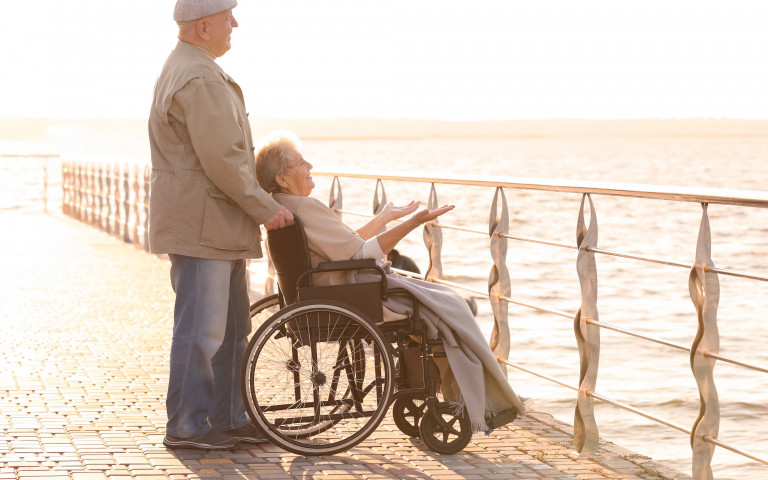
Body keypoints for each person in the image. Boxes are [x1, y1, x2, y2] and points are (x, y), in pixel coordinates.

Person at [255, 133, 526, 434]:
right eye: (301, 162)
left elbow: (348, 245)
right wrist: (412, 223)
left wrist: (385, 217)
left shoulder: (285, 206)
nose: (310, 165)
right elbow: (359, 253)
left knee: (445, 302)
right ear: (282, 178)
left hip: (326, 289)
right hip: (349, 295)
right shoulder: (306, 207)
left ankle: (459, 393)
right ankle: (482, 400)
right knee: (451, 306)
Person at [148, 0, 293, 451]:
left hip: (215, 225)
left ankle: (228, 418)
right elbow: (223, 161)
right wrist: (265, 207)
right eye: (228, 15)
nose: (236, 22)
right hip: (203, 226)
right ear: (204, 26)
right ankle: (188, 427)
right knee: (201, 331)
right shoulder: (200, 77)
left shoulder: (193, 68)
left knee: (232, 328)